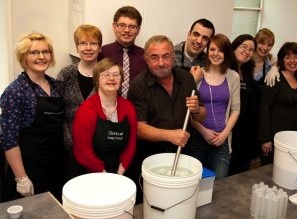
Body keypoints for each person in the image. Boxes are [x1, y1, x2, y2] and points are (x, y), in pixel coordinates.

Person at [127, 35, 206, 203]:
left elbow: (201, 117)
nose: (161, 62)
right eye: (154, 57)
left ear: (173, 56)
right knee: (155, 204)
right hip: (151, 157)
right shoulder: (138, 85)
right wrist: (170, 135)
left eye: (166, 56)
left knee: (182, 201)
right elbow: (139, 128)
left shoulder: (186, 78)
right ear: (146, 59)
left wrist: (197, 108)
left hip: (184, 152)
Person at [0, 32, 64, 202]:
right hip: (29, 170)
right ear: (24, 57)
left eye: (46, 51)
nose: (41, 57)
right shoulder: (16, 91)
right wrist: (21, 178)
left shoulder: (55, 85)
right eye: (34, 52)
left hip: (56, 166)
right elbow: (9, 139)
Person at [185, 34, 240, 179]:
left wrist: (225, 133)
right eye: (212, 49)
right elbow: (187, 110)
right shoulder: (197, 74)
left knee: (220, 184)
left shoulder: (233, 76)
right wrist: (203, 131)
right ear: (207, 51)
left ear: (227, 53)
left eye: (220, 50)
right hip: (197, 138)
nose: (215, 54)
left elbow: (236, 109)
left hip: (221, 140)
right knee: (194, 182)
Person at [70, 58, 137, 176]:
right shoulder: (86, 110)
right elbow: (83, 151)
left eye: (116, 75)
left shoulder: (128, 107)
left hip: (120, 170)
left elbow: (131, 144)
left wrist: (120, 173)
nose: (111, 78)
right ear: (96, 80)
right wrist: (105, 176)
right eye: (106, 75)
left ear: (121, 80)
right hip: (90, 172)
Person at [56, 24, 102, 179]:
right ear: (76, 47)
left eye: (93, 43)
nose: (88, 48)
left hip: (99, 147)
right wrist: (69, 141)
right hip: (70, 147)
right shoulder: (65, 74)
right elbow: (58, 112)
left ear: (100, 48)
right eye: (83, 43)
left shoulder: (107, 74)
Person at [259, 42, 297, 165]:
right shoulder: (274, 78)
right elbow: (264, 108)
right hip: (274, 138)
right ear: (282, 59)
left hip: (291, 136)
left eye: (296, 57)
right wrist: (266, 139)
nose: (292, 61)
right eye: (287, 57)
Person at [98, 6, 147, 98]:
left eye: (132, 26)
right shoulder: (102, 53)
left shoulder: (146, 56)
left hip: (137, 108)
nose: (126, 30)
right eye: (122, 25)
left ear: (138, 30)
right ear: (114, 26)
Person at [229, 34, 257, 174]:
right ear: (234, 47)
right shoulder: (225, 68)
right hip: (229, 127)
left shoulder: (247, 71)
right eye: (244, 47)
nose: (247, 51)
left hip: (244, 129)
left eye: (251, 49)